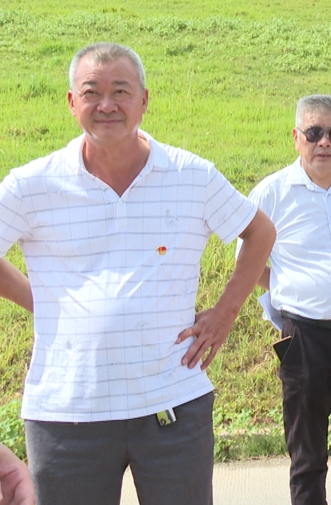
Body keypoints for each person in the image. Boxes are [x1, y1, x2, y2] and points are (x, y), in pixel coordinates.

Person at [0, 42, 276, 505]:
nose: (106, 105)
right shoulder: (33, 184)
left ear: (144, 100)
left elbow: (260, 232)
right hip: (67, 410)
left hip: (172, 403)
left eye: (121, 91)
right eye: (92, 92)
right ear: (72, 102)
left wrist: (226, 312)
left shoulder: (191, 175)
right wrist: (41, 300)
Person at [245, 95, 331, 505]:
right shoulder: (271, 194)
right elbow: (251, 267)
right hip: (304, 338)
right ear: (296, 137)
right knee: (307, 456)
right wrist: (291, 290)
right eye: (314, 133)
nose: (324, 142)